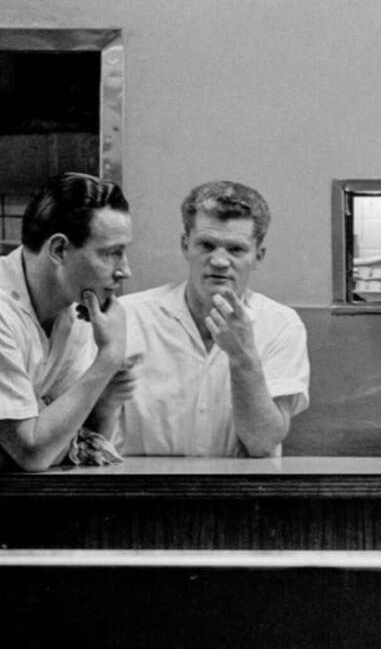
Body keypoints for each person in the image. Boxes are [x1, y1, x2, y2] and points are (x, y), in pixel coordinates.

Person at [0, 172, 134, 471]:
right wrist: (108, 358)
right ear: (59, 250)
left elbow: (80, 444)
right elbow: (34, 452)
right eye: (112, 253)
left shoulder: (69, 314)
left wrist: (102, 404)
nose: (124, 270)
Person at [117, 180, 309, 457]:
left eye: (235, 249)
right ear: (185, 245)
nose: (219, 261)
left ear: (258, 256)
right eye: (207, 245)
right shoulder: (131, 316)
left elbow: (262, 442)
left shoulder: (280, 325)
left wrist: (243, 357)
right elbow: (98, 433)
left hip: (240, 497)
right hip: (147, 494)